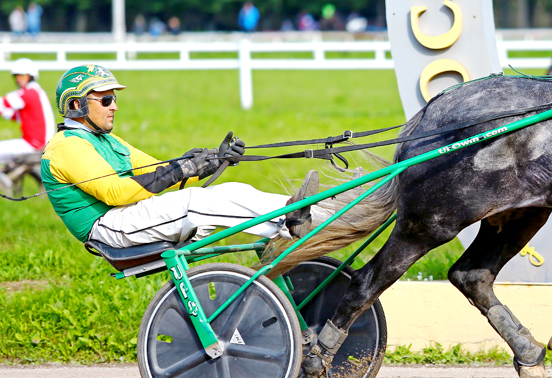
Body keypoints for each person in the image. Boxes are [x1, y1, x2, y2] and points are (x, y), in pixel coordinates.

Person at [41, 64, 320, 248]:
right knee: (200, 201)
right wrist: (180, 169)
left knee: (230, 190)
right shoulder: (65, 147)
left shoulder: (106, 140)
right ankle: (297, 221)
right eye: (105, 100)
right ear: (76, 105)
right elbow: (115, 193)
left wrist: (207, 163)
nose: (114, 106)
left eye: (114, 99)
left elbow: (155, 170)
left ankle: (309, 213)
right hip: (110, 227)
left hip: (127, 216)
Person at [0, 58, 55, 163]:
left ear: (31, 76)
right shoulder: (37, 92)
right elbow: (15, 116)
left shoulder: (30, 93)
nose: (18, 79)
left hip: (34, 144)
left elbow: (4, 103)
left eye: (23, 76)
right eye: (17, 76)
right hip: (40, 143)